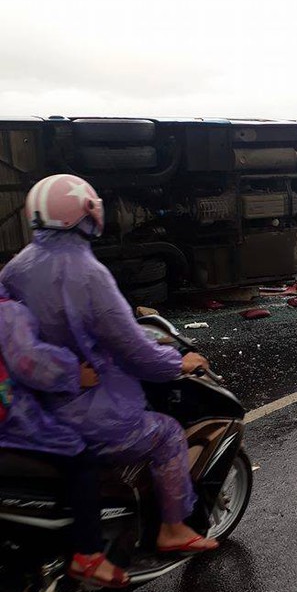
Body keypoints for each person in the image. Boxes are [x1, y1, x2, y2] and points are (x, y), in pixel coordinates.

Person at [0, 174, 218, 555]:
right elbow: (134, 350)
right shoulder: (89, 274)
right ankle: (173, 528)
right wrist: (178, 363)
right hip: (85, 409)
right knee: (166, 433)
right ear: (87, 212)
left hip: (32, 408)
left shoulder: (15, 269)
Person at [0, 283, 129, 587]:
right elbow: (31, 361)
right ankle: (88, 554)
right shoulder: (9, 311)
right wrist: (76, 374)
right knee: (81, 455)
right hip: (10, 419)